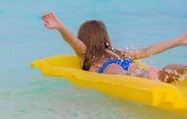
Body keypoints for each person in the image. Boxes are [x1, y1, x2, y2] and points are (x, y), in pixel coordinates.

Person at [41, 12, 187, 83]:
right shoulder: (117, 52)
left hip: (108, 68)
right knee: (160, 73)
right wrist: (177, 41)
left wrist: (60, 27)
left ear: (84, 37)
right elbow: (147, 51)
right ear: (104, 36)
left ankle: (149, 76)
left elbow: (72, 40)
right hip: (127, 63)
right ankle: (180, 69)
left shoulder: (86, 53)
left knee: (128, 75)